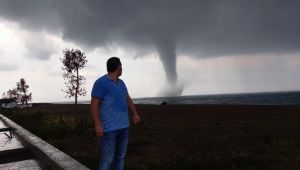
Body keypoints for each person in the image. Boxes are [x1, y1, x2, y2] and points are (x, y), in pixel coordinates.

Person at [90, 57, 141, 170]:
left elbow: (127, 99)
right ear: (118, 67)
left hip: (124, 128)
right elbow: (94, 104)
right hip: (108, 130)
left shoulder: (122, 83)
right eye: (121, 66)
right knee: (107, 161)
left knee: (120, 159)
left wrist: (135, 114)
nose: (122, 69)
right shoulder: (101, 83)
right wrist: (98, 125)